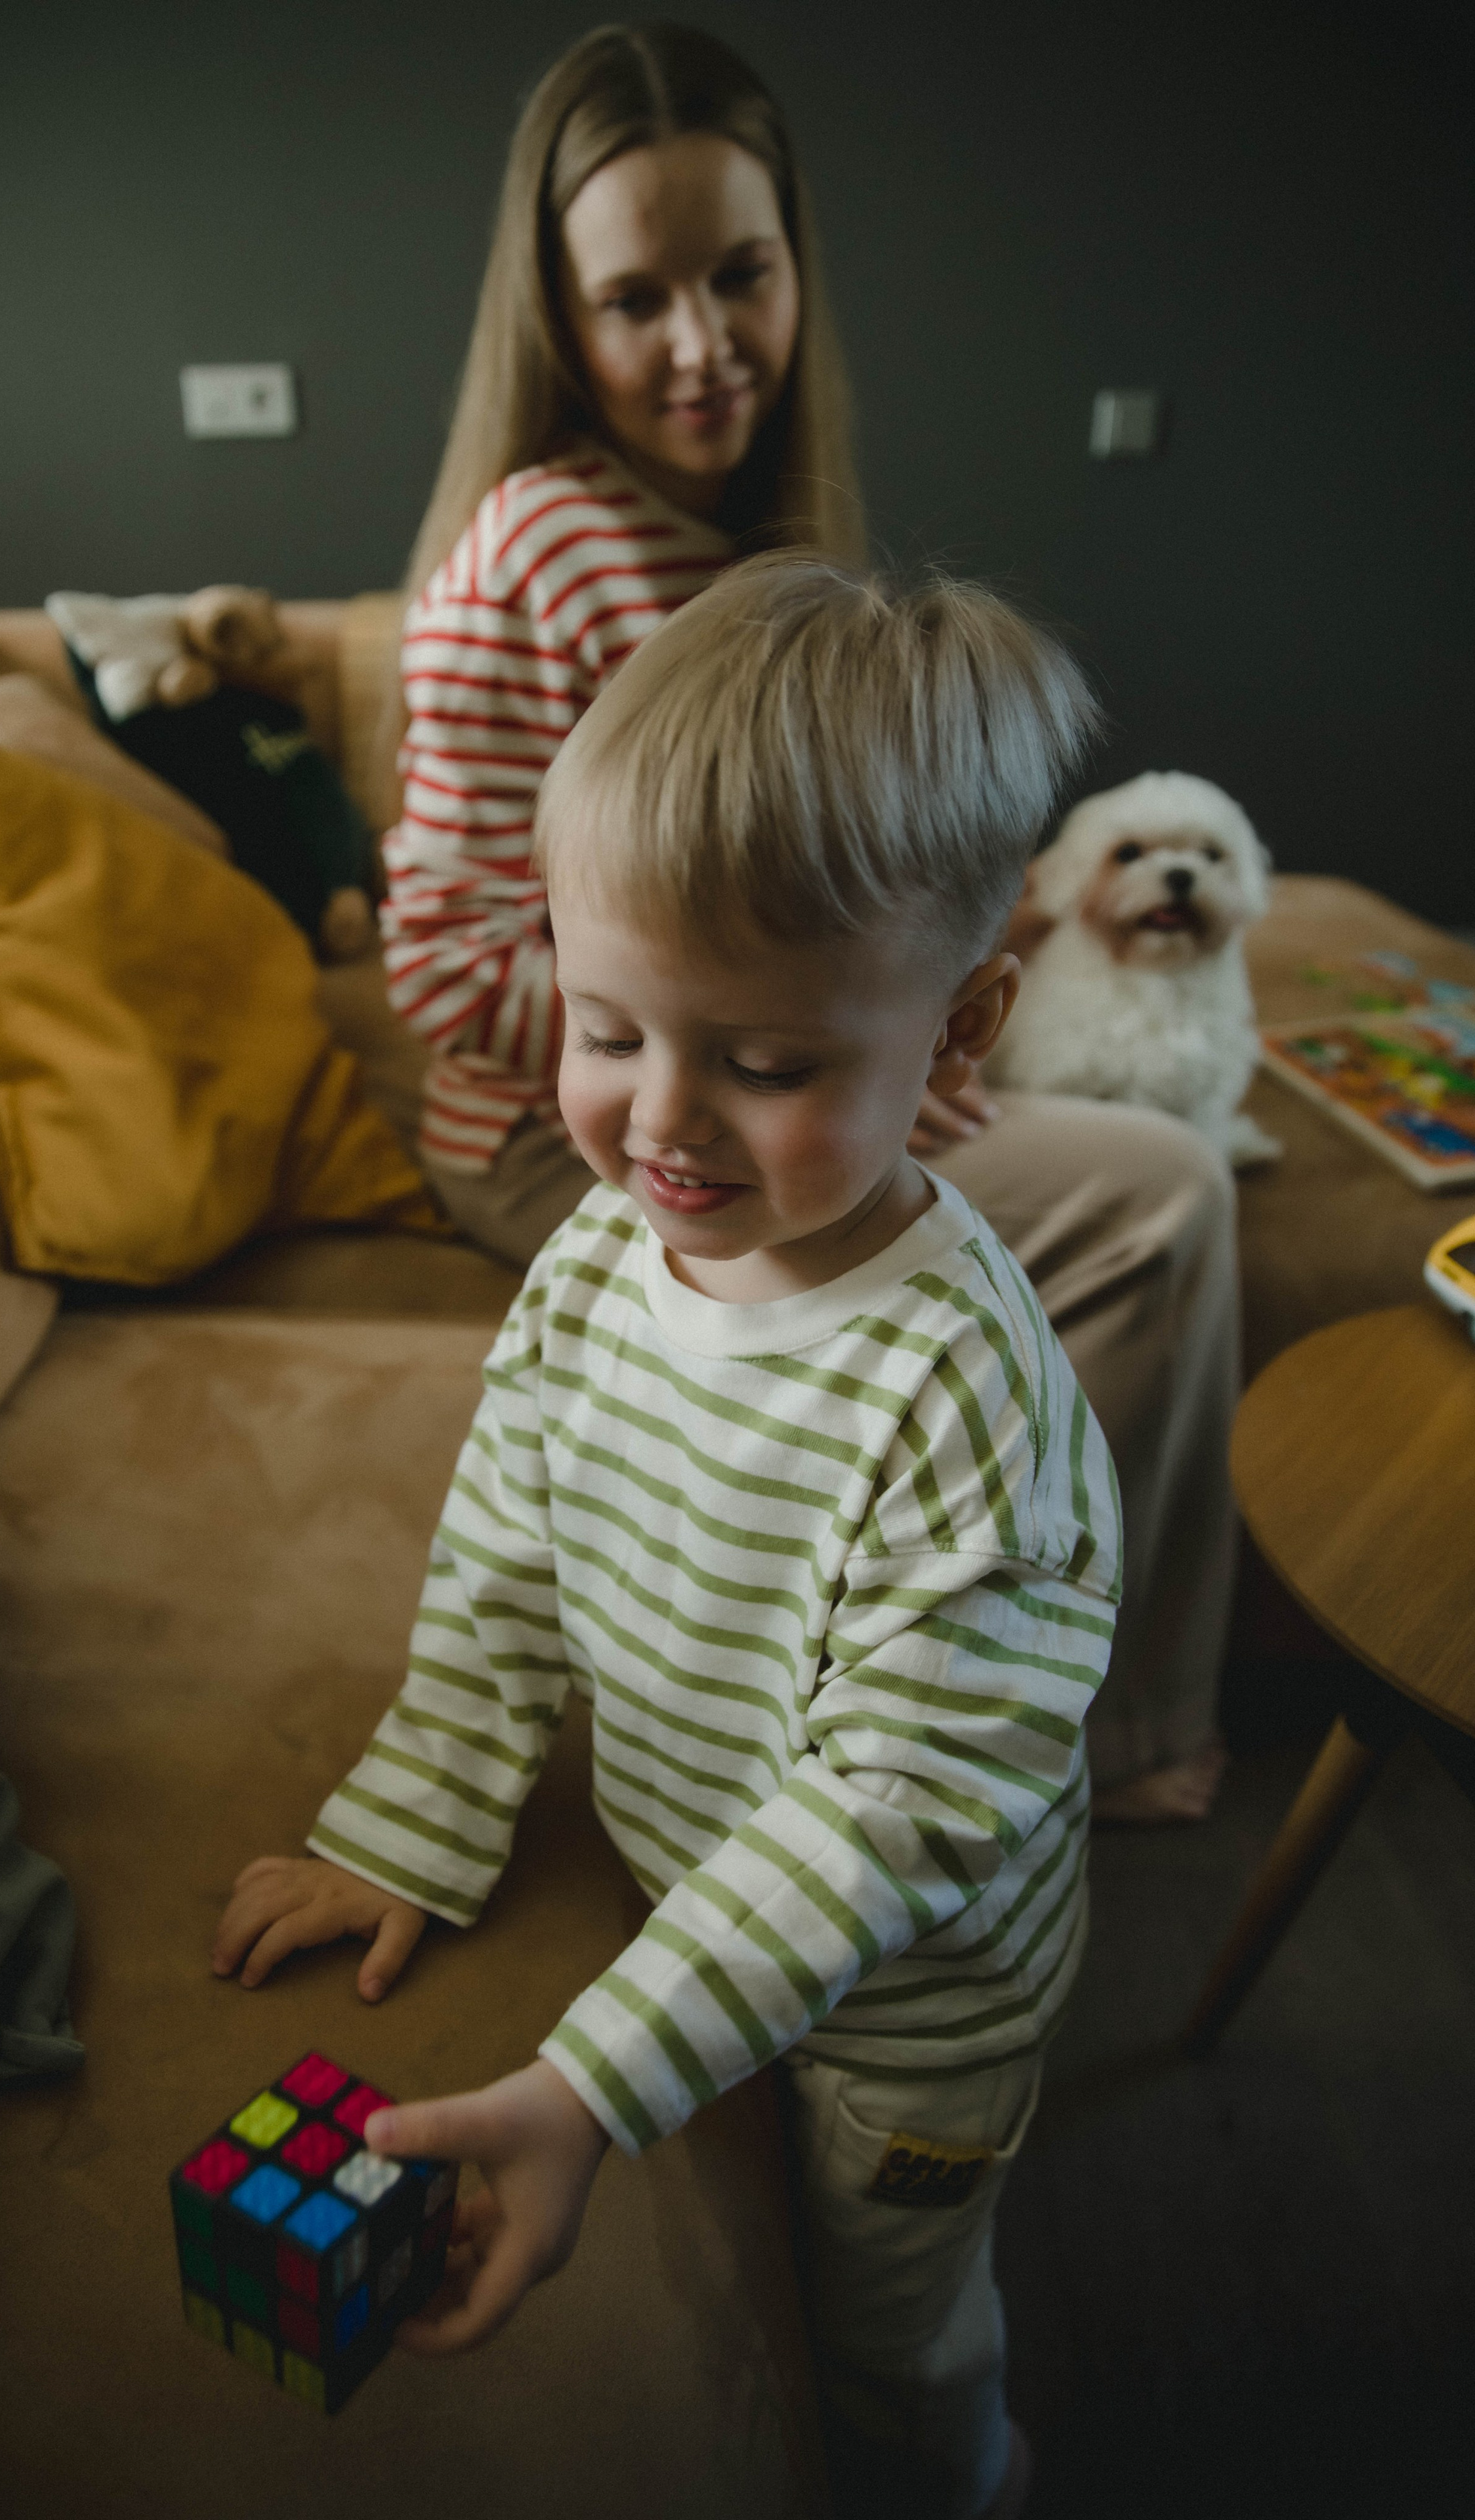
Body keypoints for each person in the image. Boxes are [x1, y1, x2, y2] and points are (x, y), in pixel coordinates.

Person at [217, 555, 1121, 2520]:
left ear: (963, 1026)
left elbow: (887, 1813)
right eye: (611, 1028)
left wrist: (586, 2086)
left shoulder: (965, 1404)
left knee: (892, 2328)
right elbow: (505, 1565)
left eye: (768, 1064)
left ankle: (962, 2481)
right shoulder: (598, 1263)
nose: (661, 1131)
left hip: (911, 2012)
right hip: (694, 1873)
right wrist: (406, 1821)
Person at [377, 22, 1236, 1820]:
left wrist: (864, 1028)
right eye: (636, 301)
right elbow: (447, 960)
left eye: (741, 275)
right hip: (560, 1141)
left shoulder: (758, 545)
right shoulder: (531, 550)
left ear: (796, 268)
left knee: (1144, 1155)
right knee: (1164, 1202)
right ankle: (1109, 1736)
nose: (702, 346)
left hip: (758, 1077)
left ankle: (956, 1672)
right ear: (557, 316)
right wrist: (760, 1067)